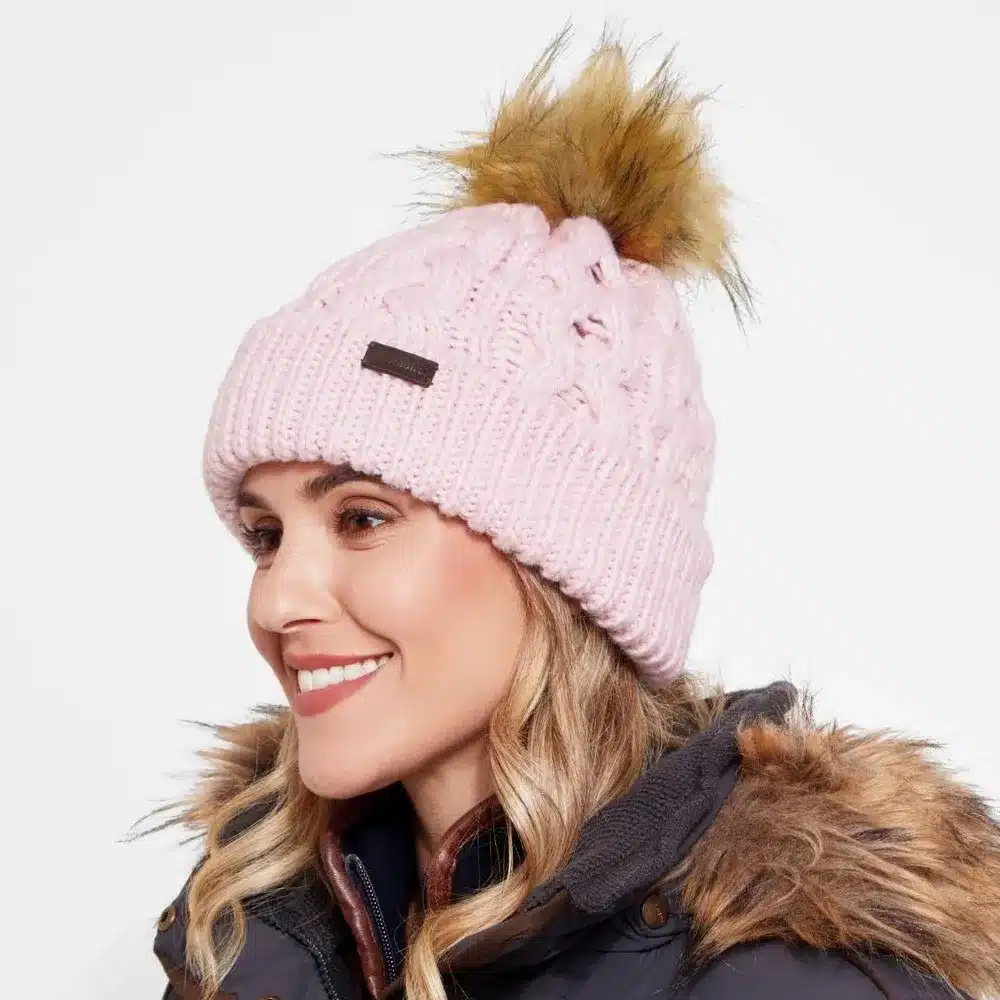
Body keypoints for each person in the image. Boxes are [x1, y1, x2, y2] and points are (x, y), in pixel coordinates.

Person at [140, 25, 1000, 1000]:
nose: (276, 600)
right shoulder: (253, 926)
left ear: (564, 565)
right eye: (266, 535)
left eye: (363, 518)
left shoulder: (788, 976)